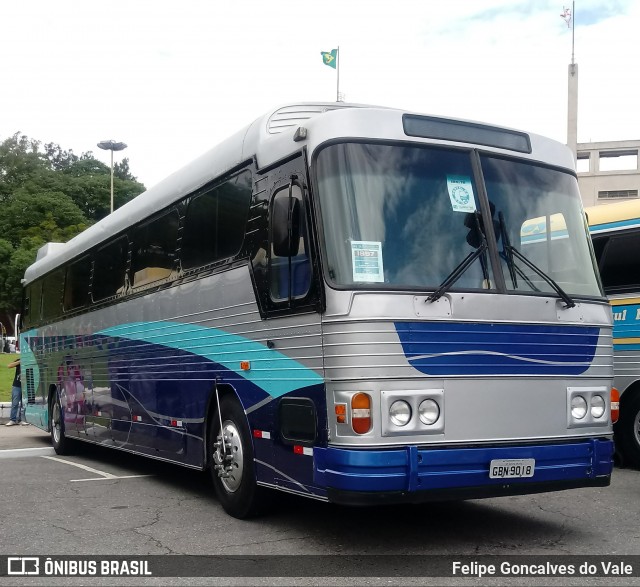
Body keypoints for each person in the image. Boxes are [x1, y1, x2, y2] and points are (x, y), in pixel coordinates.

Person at [5, 357, 27, 426]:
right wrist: (20, 362)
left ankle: (22, 420)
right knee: (15, 403)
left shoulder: (30, 360)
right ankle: (12, 420)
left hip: (26, 386)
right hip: (16, 385)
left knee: (24, 404)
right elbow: (9, 365)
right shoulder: (20, 360)